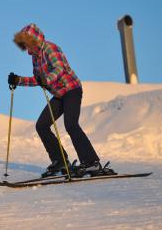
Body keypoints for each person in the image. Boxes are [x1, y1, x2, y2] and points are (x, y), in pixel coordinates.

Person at [8, 23, 103, 178]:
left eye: (26, 42)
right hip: (59, 95)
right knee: (41, 125)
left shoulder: (50, 49)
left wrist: (47, 79)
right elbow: (39, 80)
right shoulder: (35, 58)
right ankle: (59, 161)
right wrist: (18, 80)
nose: (25, 46)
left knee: (71, 124)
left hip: (72, 90)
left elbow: (59, 69)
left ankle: (91, 162)